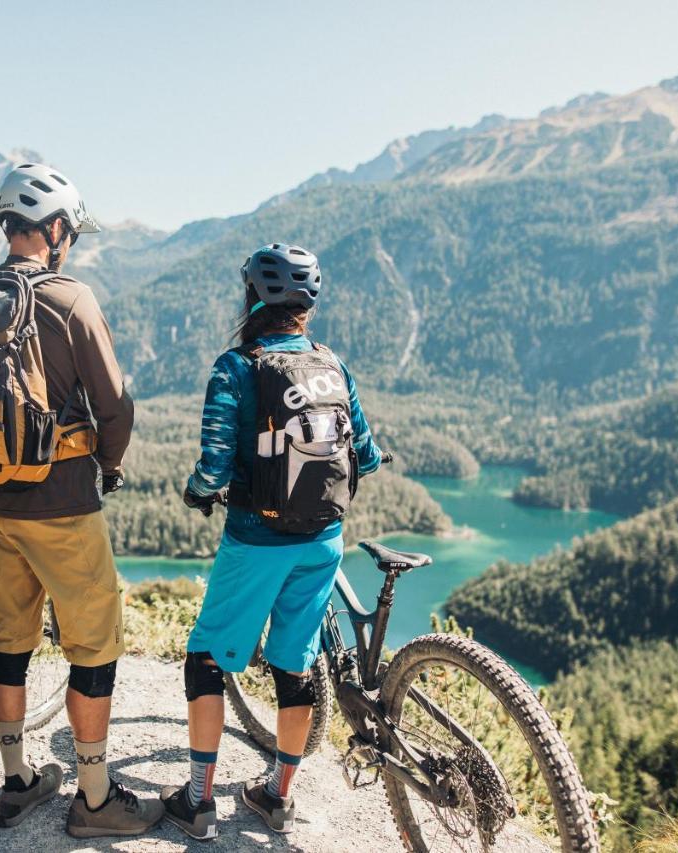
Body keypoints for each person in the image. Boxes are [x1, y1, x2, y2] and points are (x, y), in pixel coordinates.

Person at [0, 164, 162, 838]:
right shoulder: (69, 299)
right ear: (53, 230)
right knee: (93, 645)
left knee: (9, 641)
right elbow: (116, 406)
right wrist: (107, 466)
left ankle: (17, 780)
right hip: (64, 505)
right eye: (69, 231)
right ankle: (96, 798)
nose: (70, 242)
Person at [161, 243, 382, 839]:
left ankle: (199, 803)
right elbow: (367, 453)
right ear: (307, 304)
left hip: (258, 538)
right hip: (324, 538)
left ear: (253, 296)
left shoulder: (236, 367)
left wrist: (196, 491)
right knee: (295, 662)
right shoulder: (332, 365)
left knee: (205, 658)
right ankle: (277, 797)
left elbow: (213, 465)